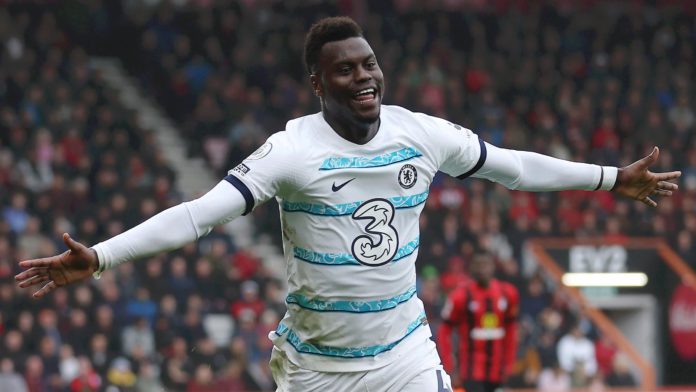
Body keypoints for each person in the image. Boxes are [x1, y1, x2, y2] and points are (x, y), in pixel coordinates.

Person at [15, 16, 681, 392]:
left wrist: (608, 178)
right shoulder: (291, 152)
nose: (364, 76)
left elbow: (513, 169)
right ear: (317, 84)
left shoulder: (421, 134)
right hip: (317, 369)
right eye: (346, 69)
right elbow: (198, 214)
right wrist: (101, 258)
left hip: (404, 353)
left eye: (368, 64)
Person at [436, 253, 519, 392]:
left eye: (486, 264)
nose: (482, 269)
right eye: (478, 265)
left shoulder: (507, 293)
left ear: (493, 268)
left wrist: (509, 364)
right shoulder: (460, 296)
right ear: (472, 269)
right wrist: (449, 365)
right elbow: (444, 330)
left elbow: (511, 330)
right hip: (470, 370)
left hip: (497, 370)